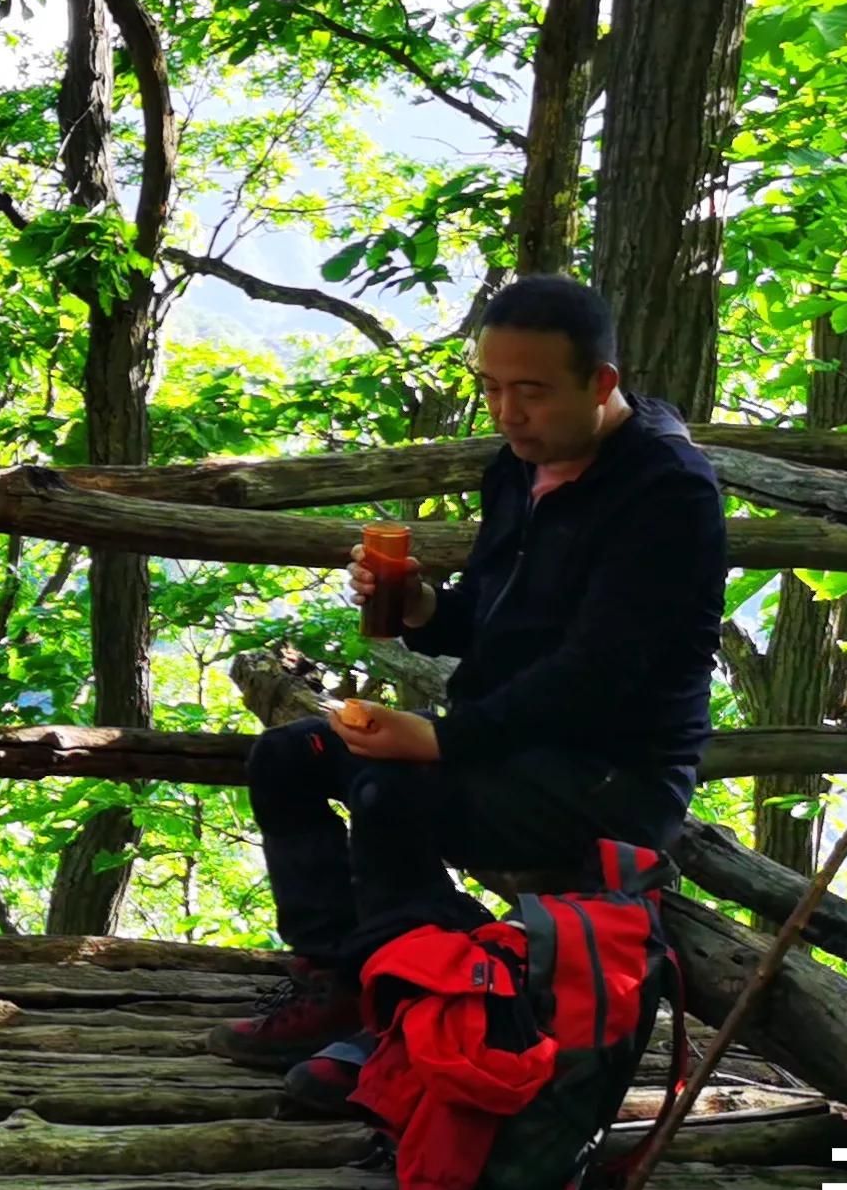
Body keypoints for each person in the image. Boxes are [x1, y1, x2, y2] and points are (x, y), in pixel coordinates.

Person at [203, 275, 723, 1109]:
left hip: (609, 775)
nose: (508, 412)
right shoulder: (518, 469)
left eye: (530, 391)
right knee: (288, 757)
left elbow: (597, 675)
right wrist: (419, 607)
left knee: (389, 789)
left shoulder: (666, 494)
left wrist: (442, 741)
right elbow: (487, 615)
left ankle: (413, 1017)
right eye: (490, 387)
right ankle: (345, 977)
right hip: (508, 745)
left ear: (602, 384)